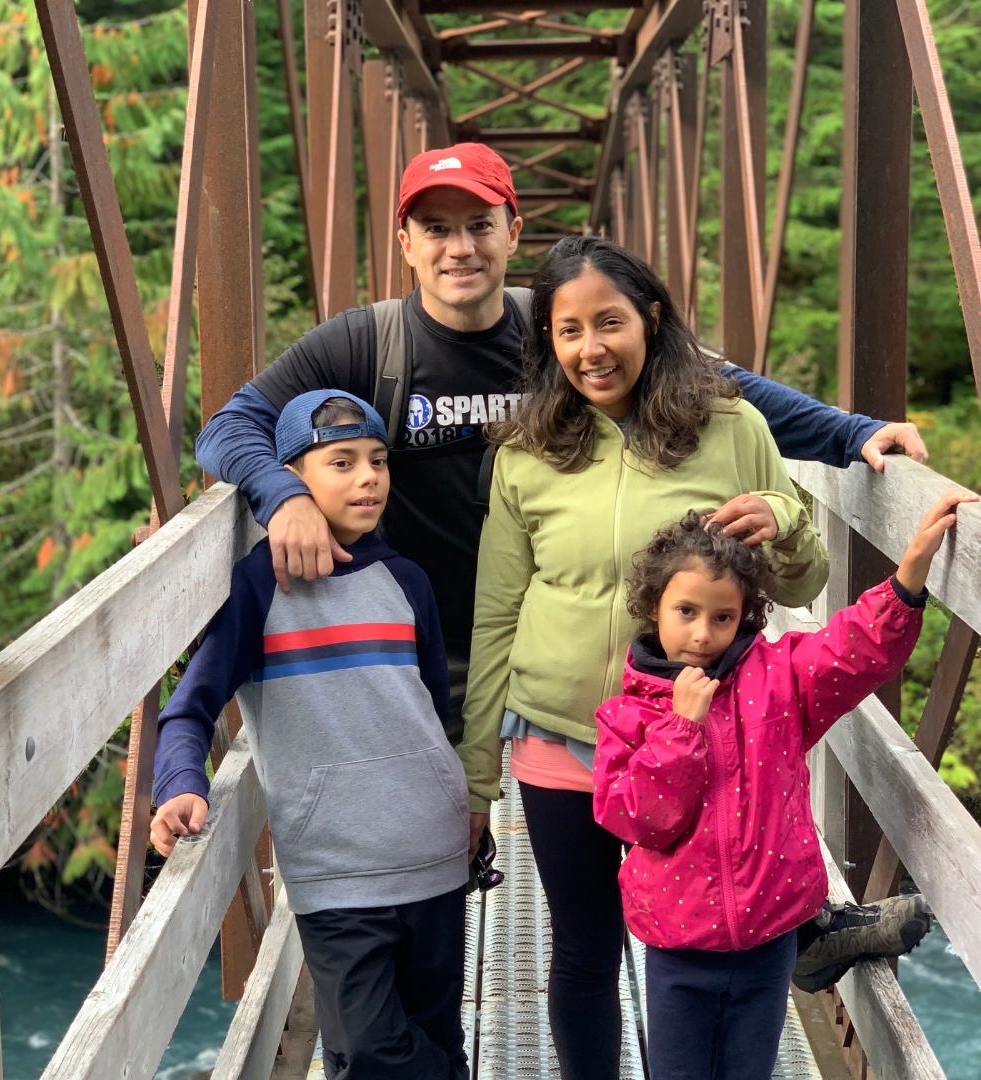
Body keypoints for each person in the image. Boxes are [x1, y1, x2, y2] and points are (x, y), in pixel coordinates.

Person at [193, 145, 929, 1009]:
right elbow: (227, 427)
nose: (459, 247)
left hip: (568, 636)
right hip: (423, 643)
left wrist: (849, 434)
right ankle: (410, 1033)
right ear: (405, 243)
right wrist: (282, 493)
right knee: (438, 850)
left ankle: (792, 927)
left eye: (479, 224)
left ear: (514, 231)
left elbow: (718, 387)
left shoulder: (557, 322)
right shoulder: (367, 343)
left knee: (692, 787)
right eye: (436, 228)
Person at [458, 235, 836, 1077]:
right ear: (548, 341)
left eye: (610, 322)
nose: (590, 348)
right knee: (583, 948)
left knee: (707, 944)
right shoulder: (525, 452)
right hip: (561, 738)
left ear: (652, 320)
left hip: (702, 740)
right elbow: (495, 617)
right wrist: (477, 778)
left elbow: (804, 577)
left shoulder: (732, 426)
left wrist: (783, 517)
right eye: (567, 330)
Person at [593, 490, 974, 1079]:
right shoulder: (628, 715)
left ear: (745, 614)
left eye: (722, 617)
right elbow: (636, 818)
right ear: (654, 607)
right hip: (678, 944)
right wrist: (680, 730)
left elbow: (850, 652)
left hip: (769, 939)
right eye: (685, 611)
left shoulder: (778, 679)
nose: (702, 634)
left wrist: (906, 581)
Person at [149, 392, 471, 1080]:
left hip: (434, 854)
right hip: (335, 870)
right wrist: (180, 783)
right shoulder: (258, 589)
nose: (368, 477)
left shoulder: (407, 581)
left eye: (378, 461)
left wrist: (466, 805)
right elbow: (189, 707)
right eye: (342, 462)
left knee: (431, 1038)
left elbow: (437, 719)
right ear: (291, 478)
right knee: (372, 1049)